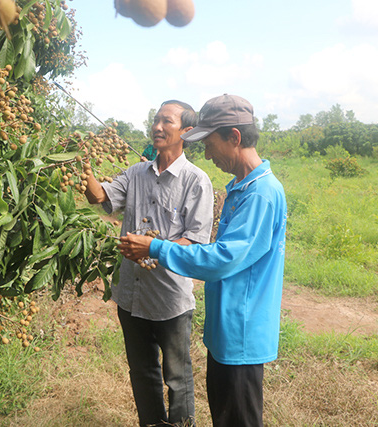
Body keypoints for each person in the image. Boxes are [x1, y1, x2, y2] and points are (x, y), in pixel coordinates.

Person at [118, 94, 288, 427]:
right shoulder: (242, 187)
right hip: (226, 331)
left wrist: (156, 247)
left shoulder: (262, 194)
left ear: (234, 138)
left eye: (210, 144)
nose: (207, 154)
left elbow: (221, 259)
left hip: (241, 332)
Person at [84, 100, 214, 426]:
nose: (157, 126)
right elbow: (100, 197)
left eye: (166, 121)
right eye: (155, 120)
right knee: (142, 373)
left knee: (178, 378)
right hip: (131, 296)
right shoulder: (135, 173)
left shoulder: (196, 182)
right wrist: (83, 170)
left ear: (186, 131)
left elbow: (196, 243)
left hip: (170, 299)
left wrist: (152, 247)